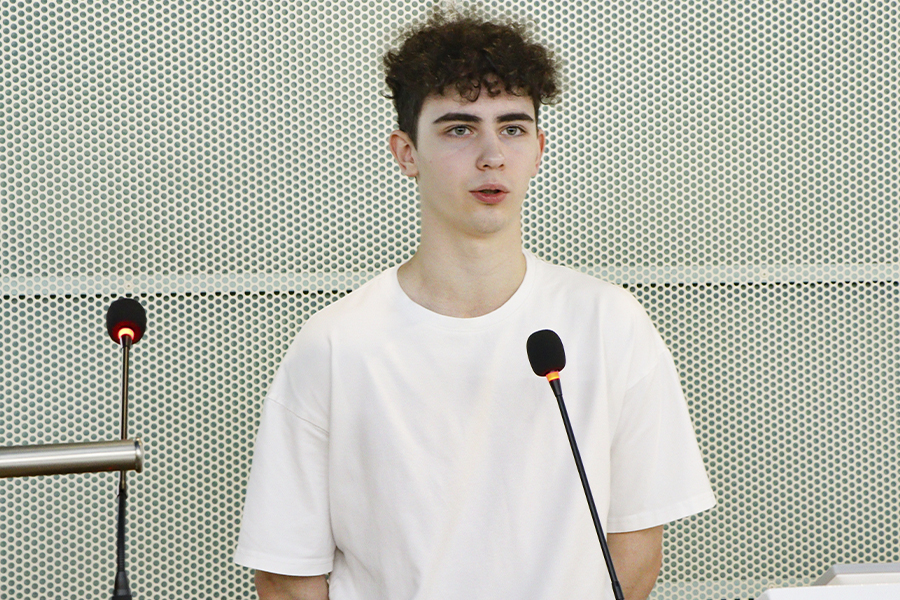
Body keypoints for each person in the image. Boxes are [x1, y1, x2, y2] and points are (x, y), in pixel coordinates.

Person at [235, 8, 715, 600]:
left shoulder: (609, 322)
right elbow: (287, 575)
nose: (492, 155)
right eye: (460, 130)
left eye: (512, 129)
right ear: (406, 153)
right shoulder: (336, 343)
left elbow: (636, 548)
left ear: (539, 149)